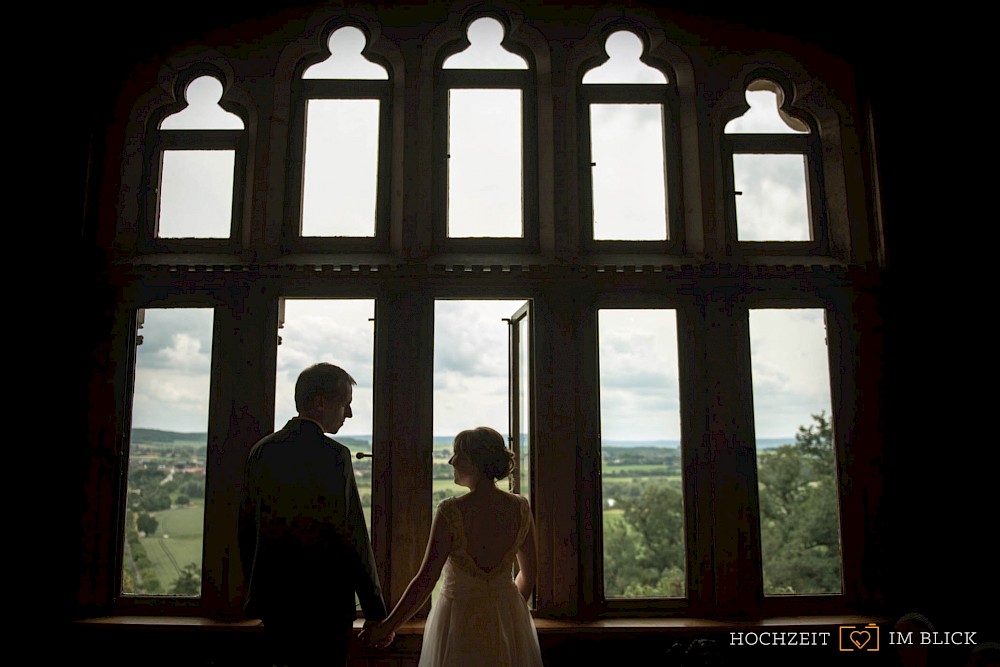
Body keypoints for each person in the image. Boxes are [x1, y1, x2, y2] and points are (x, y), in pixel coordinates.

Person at [238, 363, 389, 667]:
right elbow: (353, 537)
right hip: (326, 605)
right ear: (321, 403)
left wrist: (257, 590)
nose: (348, 414)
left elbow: (246, 530)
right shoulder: (334, 455)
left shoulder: (261, 451)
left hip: (275, 603)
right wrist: (376, 612)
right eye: (344, 403)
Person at [361, 426, 543, 666]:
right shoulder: (520, 508)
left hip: (460, 620)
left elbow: (426, 579)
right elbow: (529, 576)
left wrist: (387, 627)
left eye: (458, 454)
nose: (450, 460)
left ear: (475, 462)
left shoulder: (451, 512)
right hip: (508, 621)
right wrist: (505, 610)